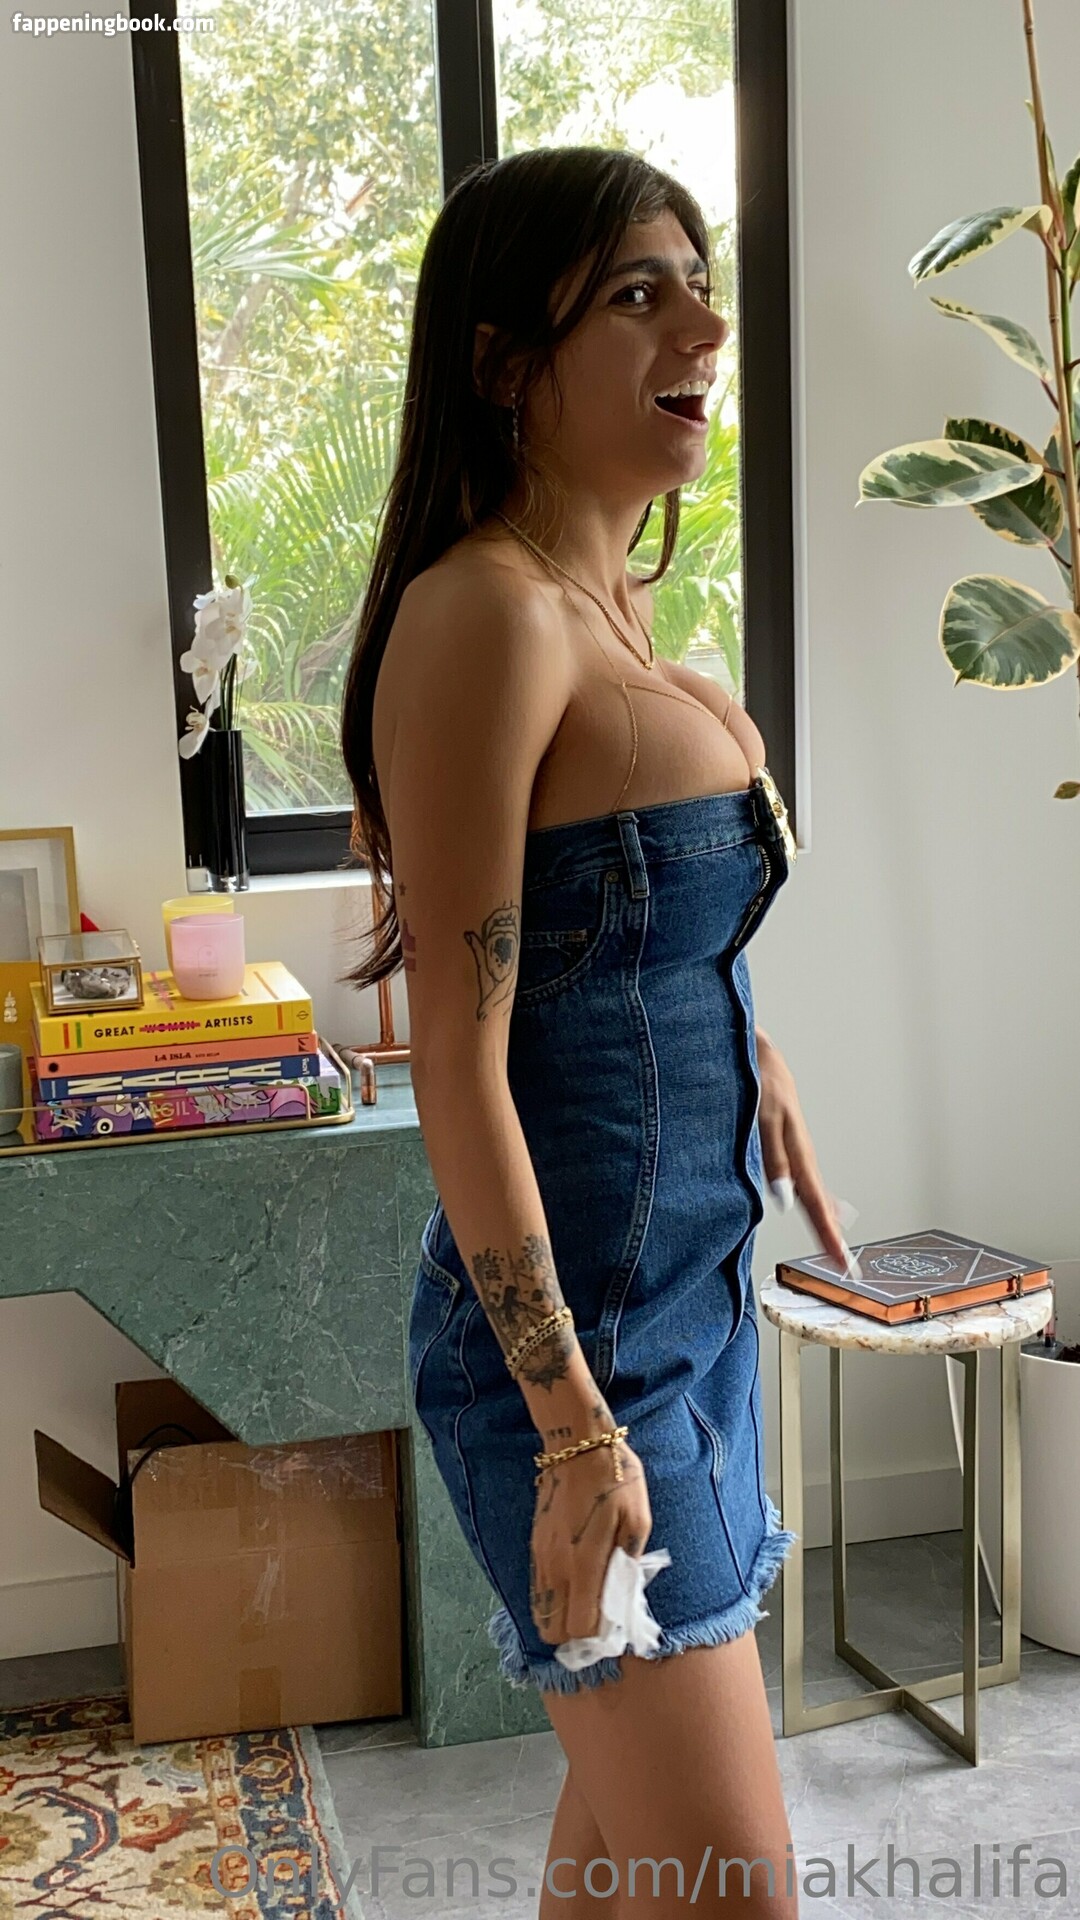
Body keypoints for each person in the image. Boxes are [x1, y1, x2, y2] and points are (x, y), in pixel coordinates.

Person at [342, 145, 849, 1920]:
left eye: (700, 283)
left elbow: (630, 948)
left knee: (631, 1861)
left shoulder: (622, 618)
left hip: (695, 1310)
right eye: (639, 292)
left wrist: (749, 1064)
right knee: (731, 1892)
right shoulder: (482, 617)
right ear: (504, 361)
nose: (703, 325)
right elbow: (456, 1063)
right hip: (583, 1363)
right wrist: (571, 1429)